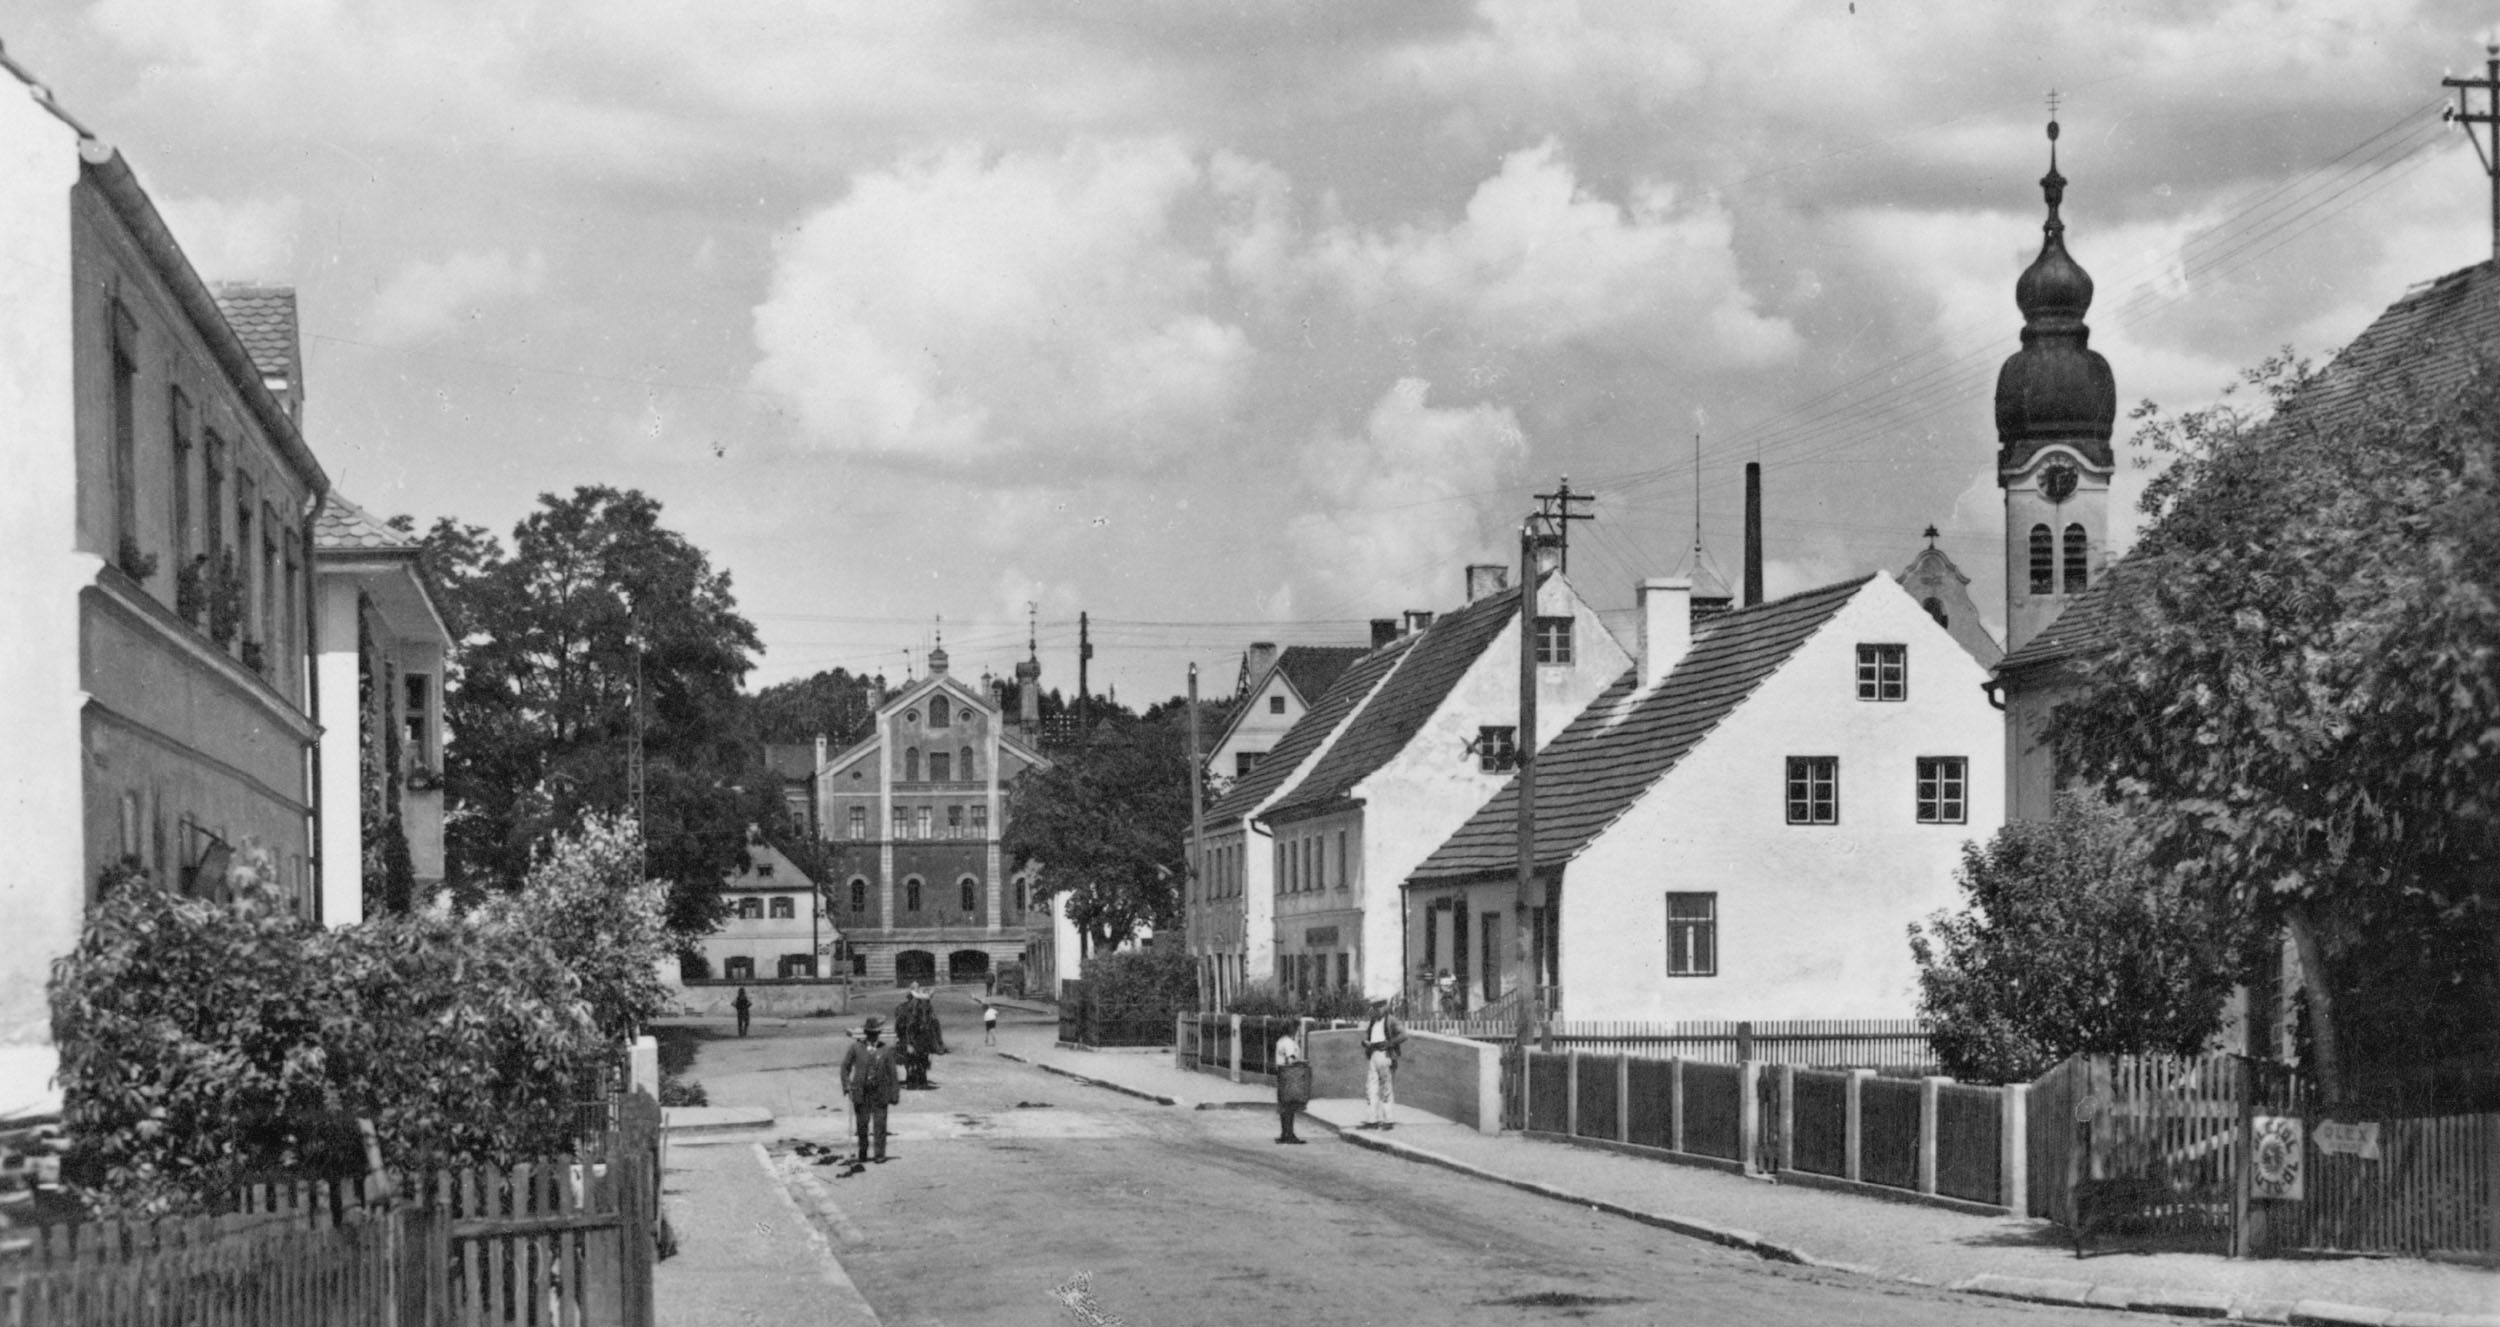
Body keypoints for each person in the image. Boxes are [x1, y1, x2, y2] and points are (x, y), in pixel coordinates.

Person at [838, 1017, 900, 1164]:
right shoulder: (856, 1048)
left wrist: (894, 1093)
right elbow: (845, 1067)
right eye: (870, 1033)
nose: (873, 1036)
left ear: (879, 1034)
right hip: (861, 1092)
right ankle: (863, 1152)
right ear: (866, 1033)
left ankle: (880, 1154)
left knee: (880, 1125)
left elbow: (893, 1074)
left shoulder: (885, 1050)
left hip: (880, 1092)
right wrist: (847, 1085)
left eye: (876, 1033)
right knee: (862, 1125)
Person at [1357, 1000, 1405, 1130]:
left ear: (1385, 1007)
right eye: (1375, 1007)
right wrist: (1367, 1043)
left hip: (1386, 1054)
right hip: (1373, 1054)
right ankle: (1372, 1119)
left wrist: (1389, 1043)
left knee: (1386, 1088)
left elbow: (1403, 1035)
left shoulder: (1392, 1020)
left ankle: (1388, 1120)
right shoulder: (1373, 1022)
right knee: (1371, 1088)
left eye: (1379, 1007)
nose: (1377, 1010)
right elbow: (1370, 1037)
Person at [1272, 1027, 1310, 1144]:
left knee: (1284, 1105)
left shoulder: (1280, 1041)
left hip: (1281, 1074)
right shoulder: (1288, 1042)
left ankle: (1285, 1134)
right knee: (1290, 1106)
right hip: (1290, 1075)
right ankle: (1289, 1135)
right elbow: (1290, 1059)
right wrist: (1302, 1062)